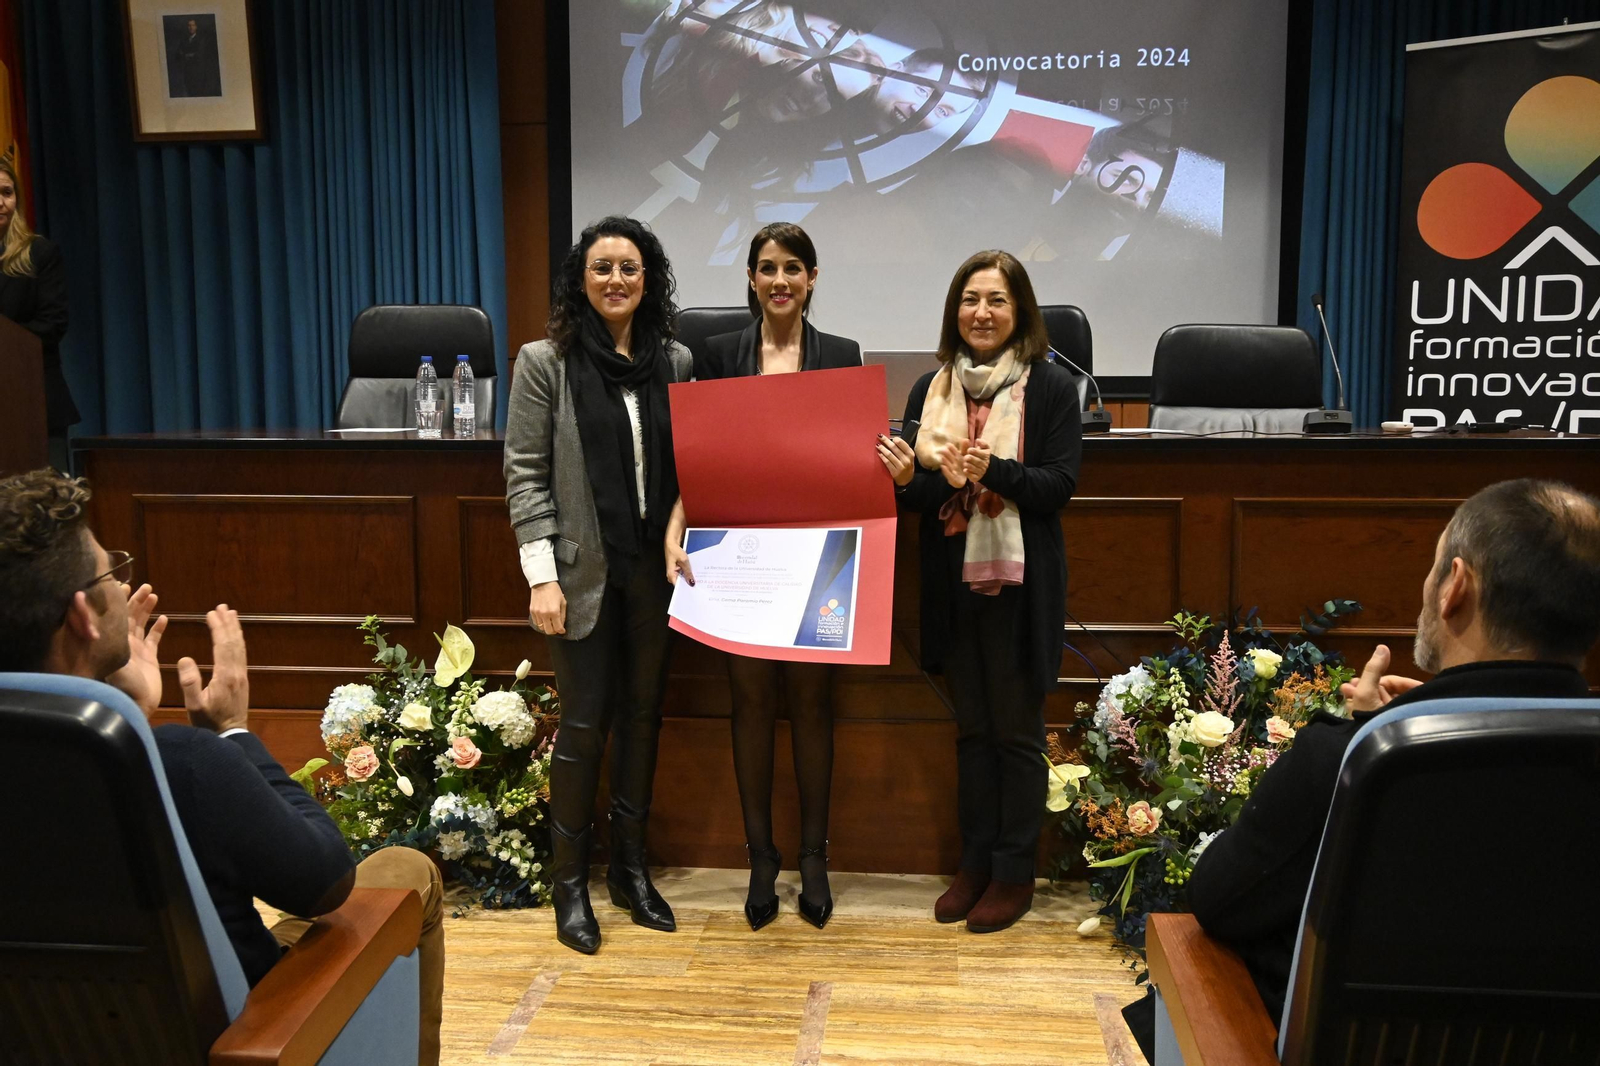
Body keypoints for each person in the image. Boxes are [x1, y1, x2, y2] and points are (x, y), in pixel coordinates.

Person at [0, 468, 446, 1066]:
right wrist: (231, 732)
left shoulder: (125, 761)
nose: (121, 583)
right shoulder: (183, 764)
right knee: (404, 871)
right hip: (246, 1041)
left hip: (48, 1032)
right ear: (84, 615)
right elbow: (324, 881)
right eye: (112, 572)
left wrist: (127, 709)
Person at [1187, 478, 1600, 1024]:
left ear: (1456, 587)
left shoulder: (1350, 763)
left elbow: (1219, 904)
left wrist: (1364, 736)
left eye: (1433, 568)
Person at [877, 250, 1083, 933]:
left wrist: (997, 471)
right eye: (970, 300)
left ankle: (1014, 871)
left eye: (996, 300)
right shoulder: (928, 392)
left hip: (1022, 585)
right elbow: (929, 496)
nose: (982, 313)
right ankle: (974, 864)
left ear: (1019, 311)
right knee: (971, 733)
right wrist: (911, 482)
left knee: (1017, 734)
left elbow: (1057, 487)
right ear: (954, 311)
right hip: (951, 583)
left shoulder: (1050, 388)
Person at [503, 216, 693, 955]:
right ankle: (570, 885)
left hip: (656, 570)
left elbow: (694, 467)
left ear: (650, 282)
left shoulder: (674, 361)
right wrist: (541, 576)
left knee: (643, 718)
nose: (617, 280)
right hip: (579, 574)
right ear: (581, 277)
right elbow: (524, 475)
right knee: (584, 729)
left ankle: (631, 873)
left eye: (631, 269)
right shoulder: (543, 361)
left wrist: (682, 530)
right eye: (603, 267)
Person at [665, 222, 862, 931]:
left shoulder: (842, 355)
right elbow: (700, 460)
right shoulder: (718, 357)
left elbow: (851, 459)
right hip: (740, 554)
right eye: (767, 268)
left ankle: (814, 856)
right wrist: (674, 529)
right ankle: (761, 858)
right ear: (750, 279)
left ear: (813, 278)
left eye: (793, 269)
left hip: (819, 556)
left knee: (812, 707)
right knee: (749, 704)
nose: (780, 280)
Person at [0, 159, 73, 472]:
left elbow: (52, 324)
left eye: (6, 192)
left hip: (33, 397)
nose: (0, 202)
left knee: (44, 507)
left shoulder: (39, 253)